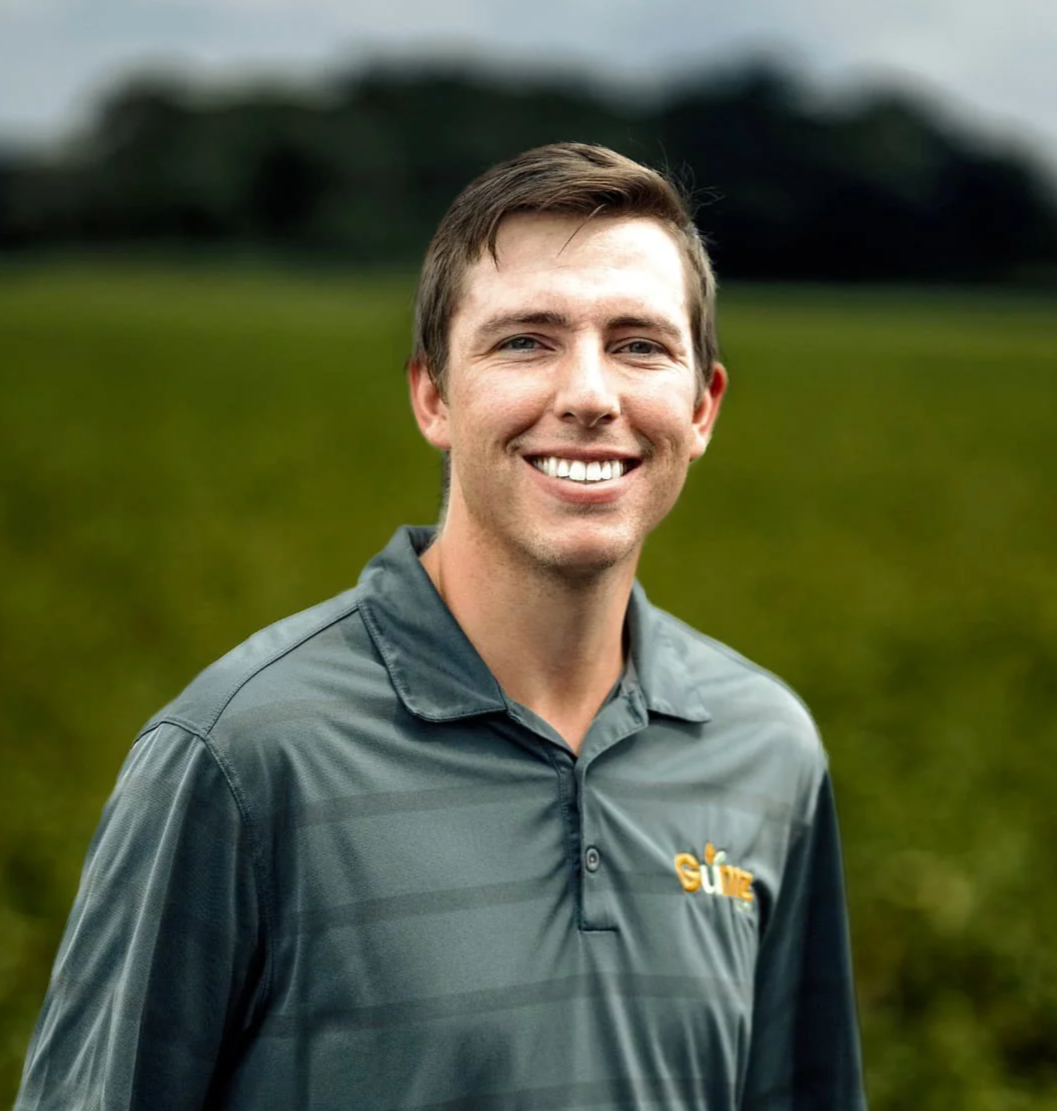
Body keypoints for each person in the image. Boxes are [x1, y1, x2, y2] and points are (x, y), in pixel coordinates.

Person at [17, 143, 867, 1110]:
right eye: (525, 341)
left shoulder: (766, 747)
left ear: (701, 404)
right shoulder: (240, 757)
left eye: (639, 344)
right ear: (433, 394)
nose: (589, 395)